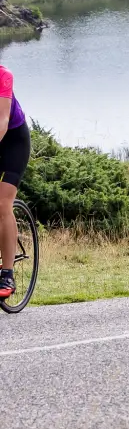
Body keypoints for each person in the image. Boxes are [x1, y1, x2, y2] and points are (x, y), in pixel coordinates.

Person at [0, 66, 30, 299]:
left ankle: (7, 273)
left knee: (2, 205)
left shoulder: (4, 75)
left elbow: (3, 119)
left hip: (12, 143)